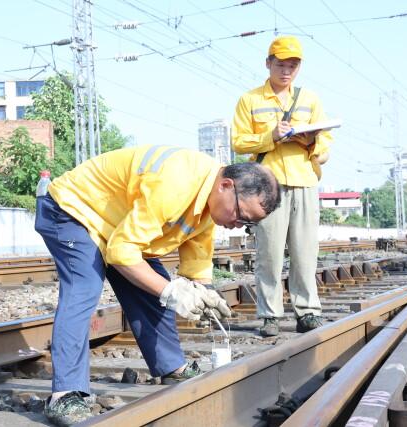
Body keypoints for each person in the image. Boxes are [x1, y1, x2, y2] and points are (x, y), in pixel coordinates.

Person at [35, 145, 281, 426]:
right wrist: (171, 290)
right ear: (226, 186)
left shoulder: (210, 199)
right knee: (84, 287)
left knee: (152, 287)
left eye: (247, 224)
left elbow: (197, 255)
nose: (237, 225)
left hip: (116, 227)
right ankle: (65, 394)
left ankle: (171, 367)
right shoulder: (176, 182)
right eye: (240, 215)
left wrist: (203, 291)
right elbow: (121, 252)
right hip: (71, 210)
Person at [231, 35, 333, 337]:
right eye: (280, 64)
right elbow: (238, 141)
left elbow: (326, 145)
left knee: (305, 252)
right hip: (267, 185)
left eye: (292, 66)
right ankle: (269, 316)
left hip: (304, 180)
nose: (286, 71)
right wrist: (271, 136)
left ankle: (308, 313)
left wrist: (312, 143)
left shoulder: (310, 100)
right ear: (268, 64)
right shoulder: (250, 100)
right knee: (269, 253)